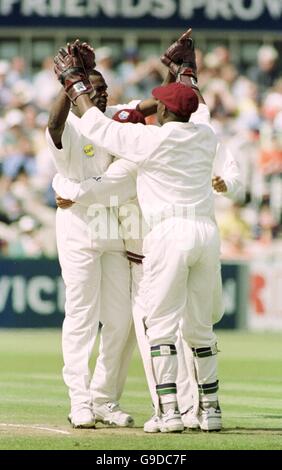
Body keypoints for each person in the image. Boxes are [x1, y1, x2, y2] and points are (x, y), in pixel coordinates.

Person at [53, 37, 224, 432]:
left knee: (159, 326)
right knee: (199, 328)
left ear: (163, 110)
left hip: (168, 235)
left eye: (159, 102)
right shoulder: (204, 134)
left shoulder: (150, 142)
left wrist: (71, 80)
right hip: (205, 234)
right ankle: (209, 411)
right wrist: (185, 74)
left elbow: (95, 124)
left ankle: (169, 414)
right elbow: (189, 103)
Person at [47, 42, 144, 429]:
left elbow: (147, 108)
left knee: (121, 320)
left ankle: (105, 398)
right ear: (78, 92)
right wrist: (67, 84)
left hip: (112, 228)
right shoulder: (68, 124)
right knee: (82, 316)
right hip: (77, 226)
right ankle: (80, 400)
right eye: (93, 89)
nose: (101, 94)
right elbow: (52, 127)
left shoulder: (112, 126)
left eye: (104, 89)